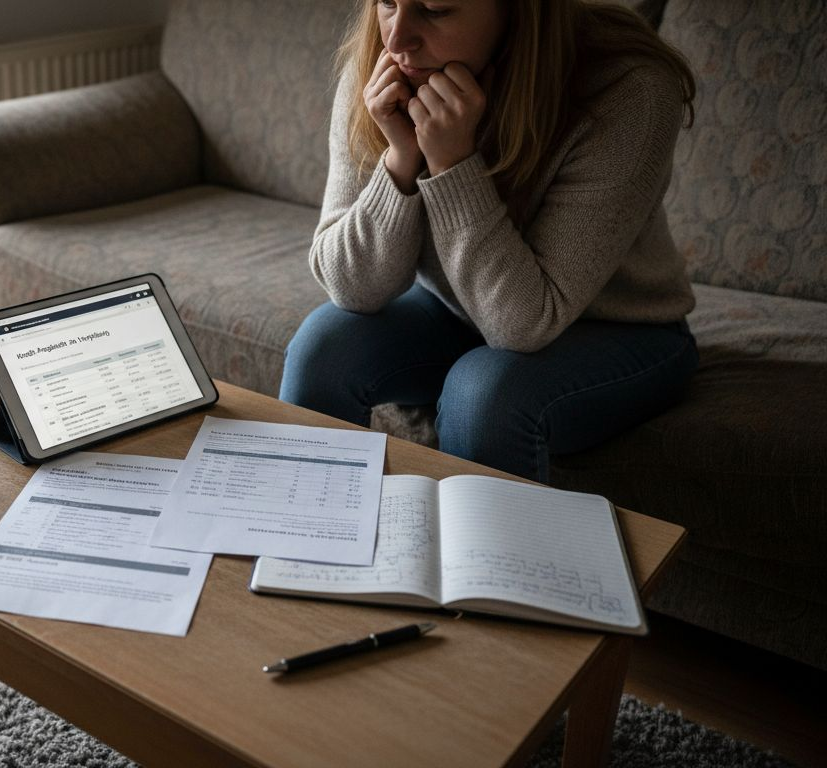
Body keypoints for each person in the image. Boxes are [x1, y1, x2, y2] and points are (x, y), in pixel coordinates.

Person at [279, 0, 701, 484]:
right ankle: (305, 530)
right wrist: (400, 159)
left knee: (483, 395)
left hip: (622, 328)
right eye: (388, 3)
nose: (397, 39)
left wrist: (452, 164)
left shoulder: (630, 89)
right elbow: (351, 287)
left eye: (434, 9)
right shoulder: (385, 65)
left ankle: (482, 540)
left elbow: (524, 324)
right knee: (323, 350)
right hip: (461, 308)